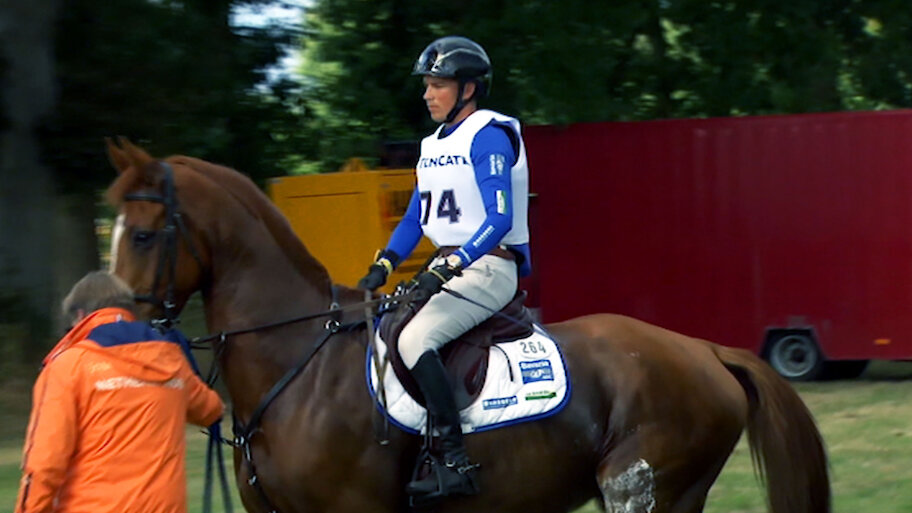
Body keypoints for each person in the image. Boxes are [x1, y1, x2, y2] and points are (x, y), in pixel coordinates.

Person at [357, 35, 531, 502]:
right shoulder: (431, 145)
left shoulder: (489, 135)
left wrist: (451, 264)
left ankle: (454, 461)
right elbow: (416, 217)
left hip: (489, 266)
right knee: (383, 330)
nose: (427, 94)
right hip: (449, 267)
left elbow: (499, 219)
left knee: (415, 340)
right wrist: (384, 265)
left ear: (467, 89)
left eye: (437, 85)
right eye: (427, 85)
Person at [15, 271, 224, 513]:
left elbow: (44, 463)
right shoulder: (171, 360)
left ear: (80, 315)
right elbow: (211, 410)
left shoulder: (69, 366)